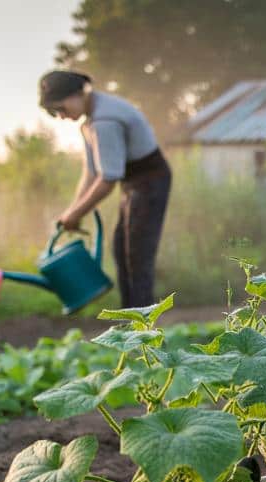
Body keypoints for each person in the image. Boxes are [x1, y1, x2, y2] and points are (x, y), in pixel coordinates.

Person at [39, 69, 172, 308]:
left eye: (60, 108)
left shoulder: (104, 121)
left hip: (150, 181)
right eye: (53, 112)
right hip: (132, 184)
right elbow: (91, 173)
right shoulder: (90, 121)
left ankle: (143, 331)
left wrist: (76, 214)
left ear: (77, 93)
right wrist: (72, 211)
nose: (60, 116)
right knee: (121, 252)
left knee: (138, 258)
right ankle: (130, 322)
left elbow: (108, 178)